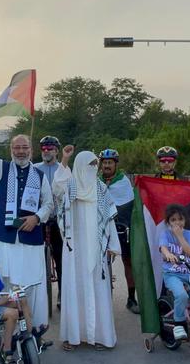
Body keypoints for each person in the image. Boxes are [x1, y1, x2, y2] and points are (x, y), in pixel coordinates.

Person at [0, 108, 54, 338]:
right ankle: (9, 330)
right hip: (5, 238)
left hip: (30, 238)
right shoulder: (1, 169)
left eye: (24, 147)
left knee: (32, 283)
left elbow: (49, 204)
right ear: (11, 150)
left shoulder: (39, 175)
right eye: (16, 148)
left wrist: (36, 217)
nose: (21, 151)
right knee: (6, 282)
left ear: (31, 150)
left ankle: (34, 329)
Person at [53, 147, 119, 351]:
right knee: (74, 288)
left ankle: (100, 336)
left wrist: (112, 245)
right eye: (88, 165)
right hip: (74, 250)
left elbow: (109, 219)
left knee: (98, 289)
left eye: (94, 165)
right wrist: (65, 159)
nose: (92, 168)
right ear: (80, 166)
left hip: (96, 248)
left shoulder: (101, 189)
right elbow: (57, 187)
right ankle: (73, 336)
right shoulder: (70, 187)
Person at [97, 149, 138, 314]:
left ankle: (131, 299)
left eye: (110, 163)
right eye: (104, 163)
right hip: (102, 229)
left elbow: (128, 204)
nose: (107, 166)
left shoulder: (123, 182)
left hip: (121, 227)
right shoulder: (96, 182)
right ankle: (102, 299)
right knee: (100, 263)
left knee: (128, 262)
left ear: (115, 164)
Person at [158, 204, 190, 345]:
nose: (177, 222)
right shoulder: (165, 234)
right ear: (168, 222)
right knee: (181, 295)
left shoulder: (189, 234)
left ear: (185, 220)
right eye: (173, 220)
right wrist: (168, 254)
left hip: (189, 274)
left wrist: (180, 236)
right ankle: (179, 324)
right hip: (172, 274)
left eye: (180, 219)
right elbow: (163, 248)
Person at [34, 135, 64, 309]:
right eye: (44, 149)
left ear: (57, 151)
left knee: (60, 257)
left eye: (50, 148)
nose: (46, 151)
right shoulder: (35, 169)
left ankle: (62, 292)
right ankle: (39, 295)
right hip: (39, 219)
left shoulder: (63, 169)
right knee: (37, 258)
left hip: (58, 219)